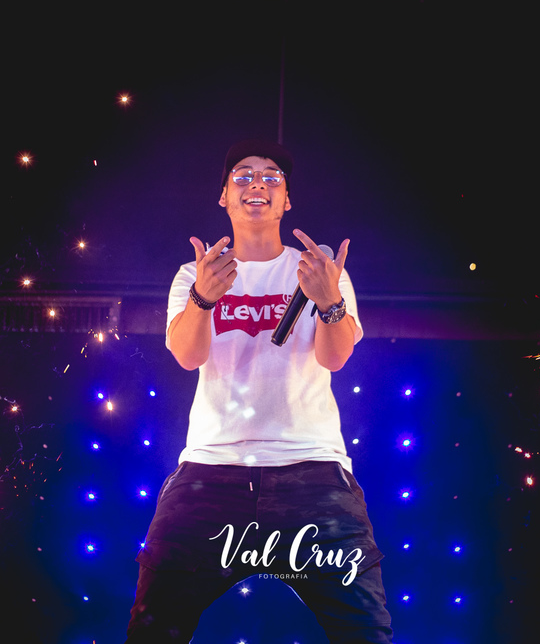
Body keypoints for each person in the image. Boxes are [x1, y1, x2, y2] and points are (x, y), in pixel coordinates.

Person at [125, 139, 392, 642]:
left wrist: (329, 300)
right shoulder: (194, 274)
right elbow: (187, 355)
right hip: (212, 470)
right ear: (223, 196)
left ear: (287, 199)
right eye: (243, 176)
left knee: (365, 631)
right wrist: (203, 298)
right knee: (152, 629)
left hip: (312, 472)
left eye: (272, 177)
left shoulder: (319, 270)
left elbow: (335, 357)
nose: (258, 184)